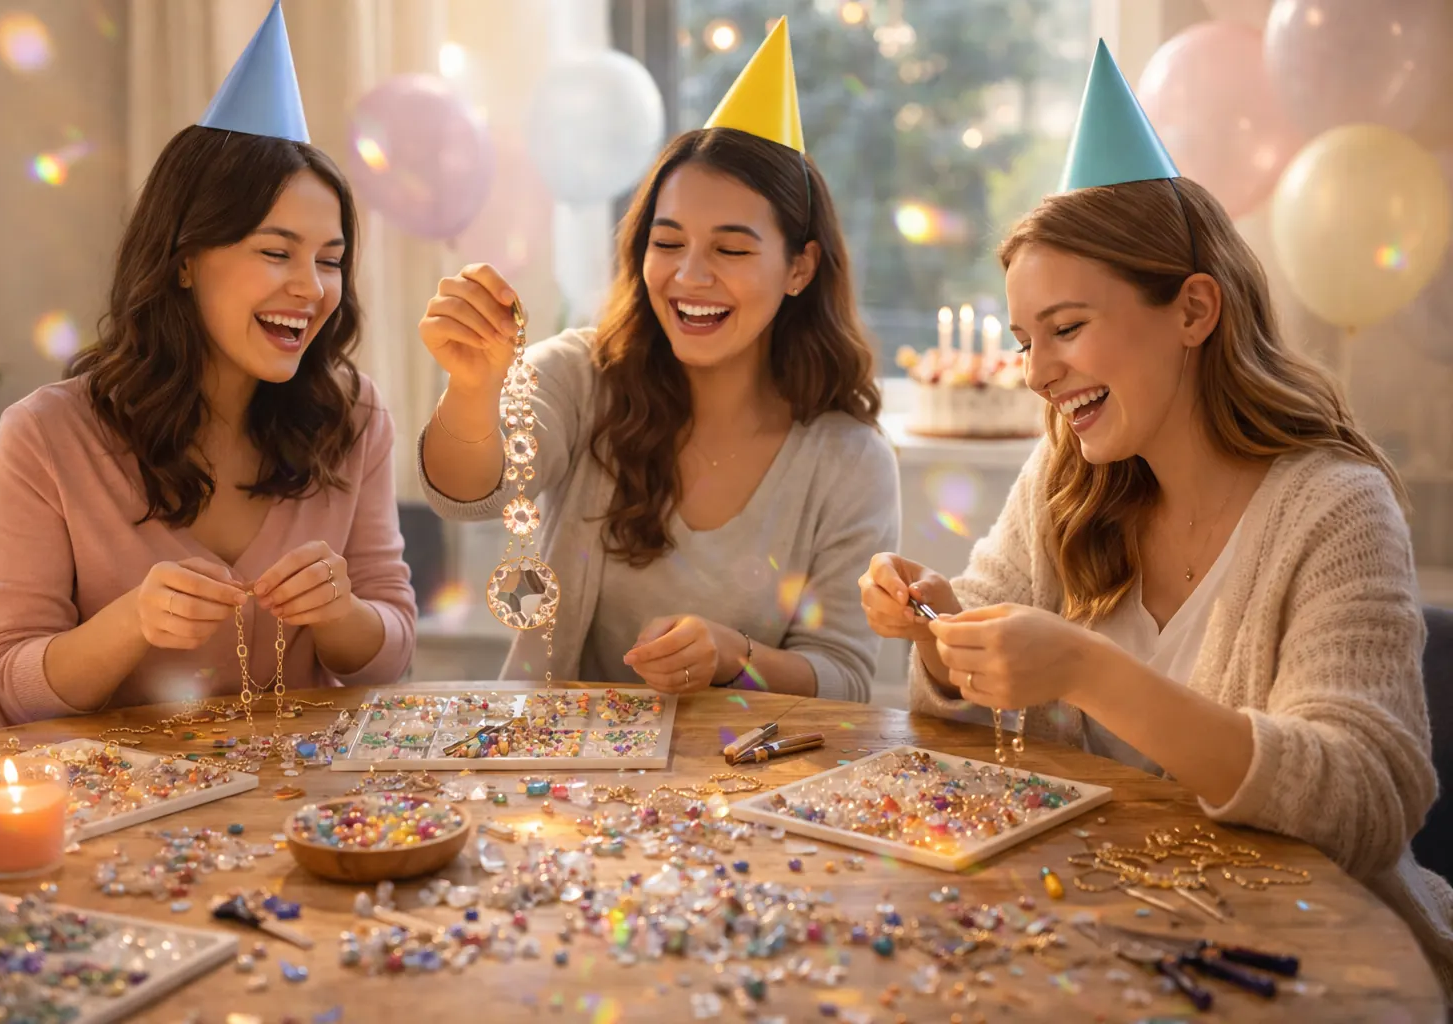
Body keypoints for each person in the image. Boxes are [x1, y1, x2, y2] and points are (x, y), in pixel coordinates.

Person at [859, 40, 1453, 996]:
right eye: (1024, 340)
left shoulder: (1335, 508)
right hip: (1106, 935)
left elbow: (1365, 802)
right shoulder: (1068, 477)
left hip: (1306, 966)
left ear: (1193, 310)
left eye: (1066, 328)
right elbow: (970, 696)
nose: (1036, 373)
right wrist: (937, 626)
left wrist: (1088, 670)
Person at [418, 20, 898, 701]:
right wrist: (471, 389)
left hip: (742, 765)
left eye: (731, 250)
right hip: (560, 761)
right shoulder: (580, 376)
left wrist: (734, 657)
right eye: (667, 243)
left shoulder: (850, 460)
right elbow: (468, 494)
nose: (689, 276)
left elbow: (844, 680)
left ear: (800, 267)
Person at [0, 1, 415, 726]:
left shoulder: (353, 418)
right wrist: (130, 623)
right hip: (119, 795)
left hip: (302, 786)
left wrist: (343, 613)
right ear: (184, 261)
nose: (311, 288)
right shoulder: (46, 438)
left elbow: (390, 654)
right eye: (276, 252)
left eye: (330, 260)